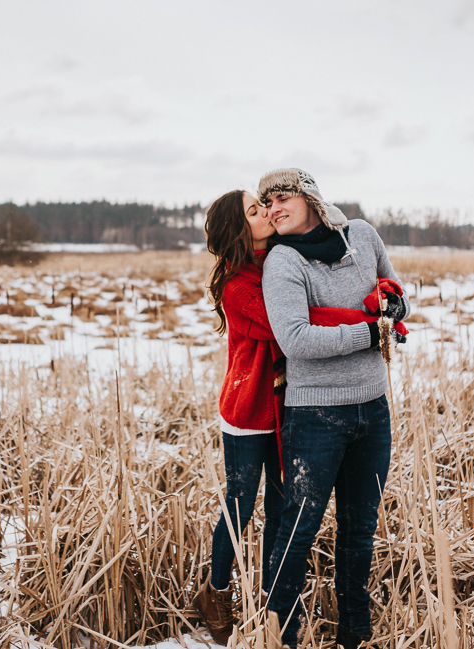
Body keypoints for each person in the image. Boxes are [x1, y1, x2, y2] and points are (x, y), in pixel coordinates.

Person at [258, 168, 409, 649]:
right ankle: (280, 636)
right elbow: (295, 339)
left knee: (359, 530)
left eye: (282, 197)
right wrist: (369, 333)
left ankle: (354, 634)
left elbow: (397, 291)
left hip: (373, 410)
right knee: (297, 532)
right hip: (315, 418)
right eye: (266, 203)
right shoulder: (282, 262)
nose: (273, 208)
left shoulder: (362, 235)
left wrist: (395, 307)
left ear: (309, 197)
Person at [194, 189, 285, 644]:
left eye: (262, 205)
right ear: (240, 231)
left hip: (286, 407)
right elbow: (288, 325)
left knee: (282, 505)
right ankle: (217, 590)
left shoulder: (279, 260)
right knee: (240, 507)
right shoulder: (237, 286)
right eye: (255, 211)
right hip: (248, 411)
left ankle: (274, 597)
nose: (266, 213)